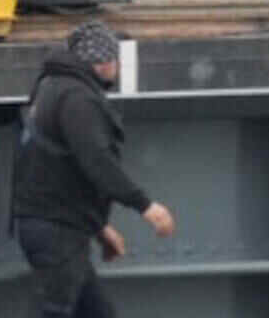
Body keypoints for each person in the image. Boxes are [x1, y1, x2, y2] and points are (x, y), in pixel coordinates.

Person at [12, 21, 176, 318]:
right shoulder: (78, 99)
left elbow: (58, 167)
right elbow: (95, 160)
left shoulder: (51, 86)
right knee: (56, 310)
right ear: (105, 62)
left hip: (56, 223)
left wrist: (98, 227)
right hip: (56, 229)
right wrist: (145, 206)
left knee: (94, 311)